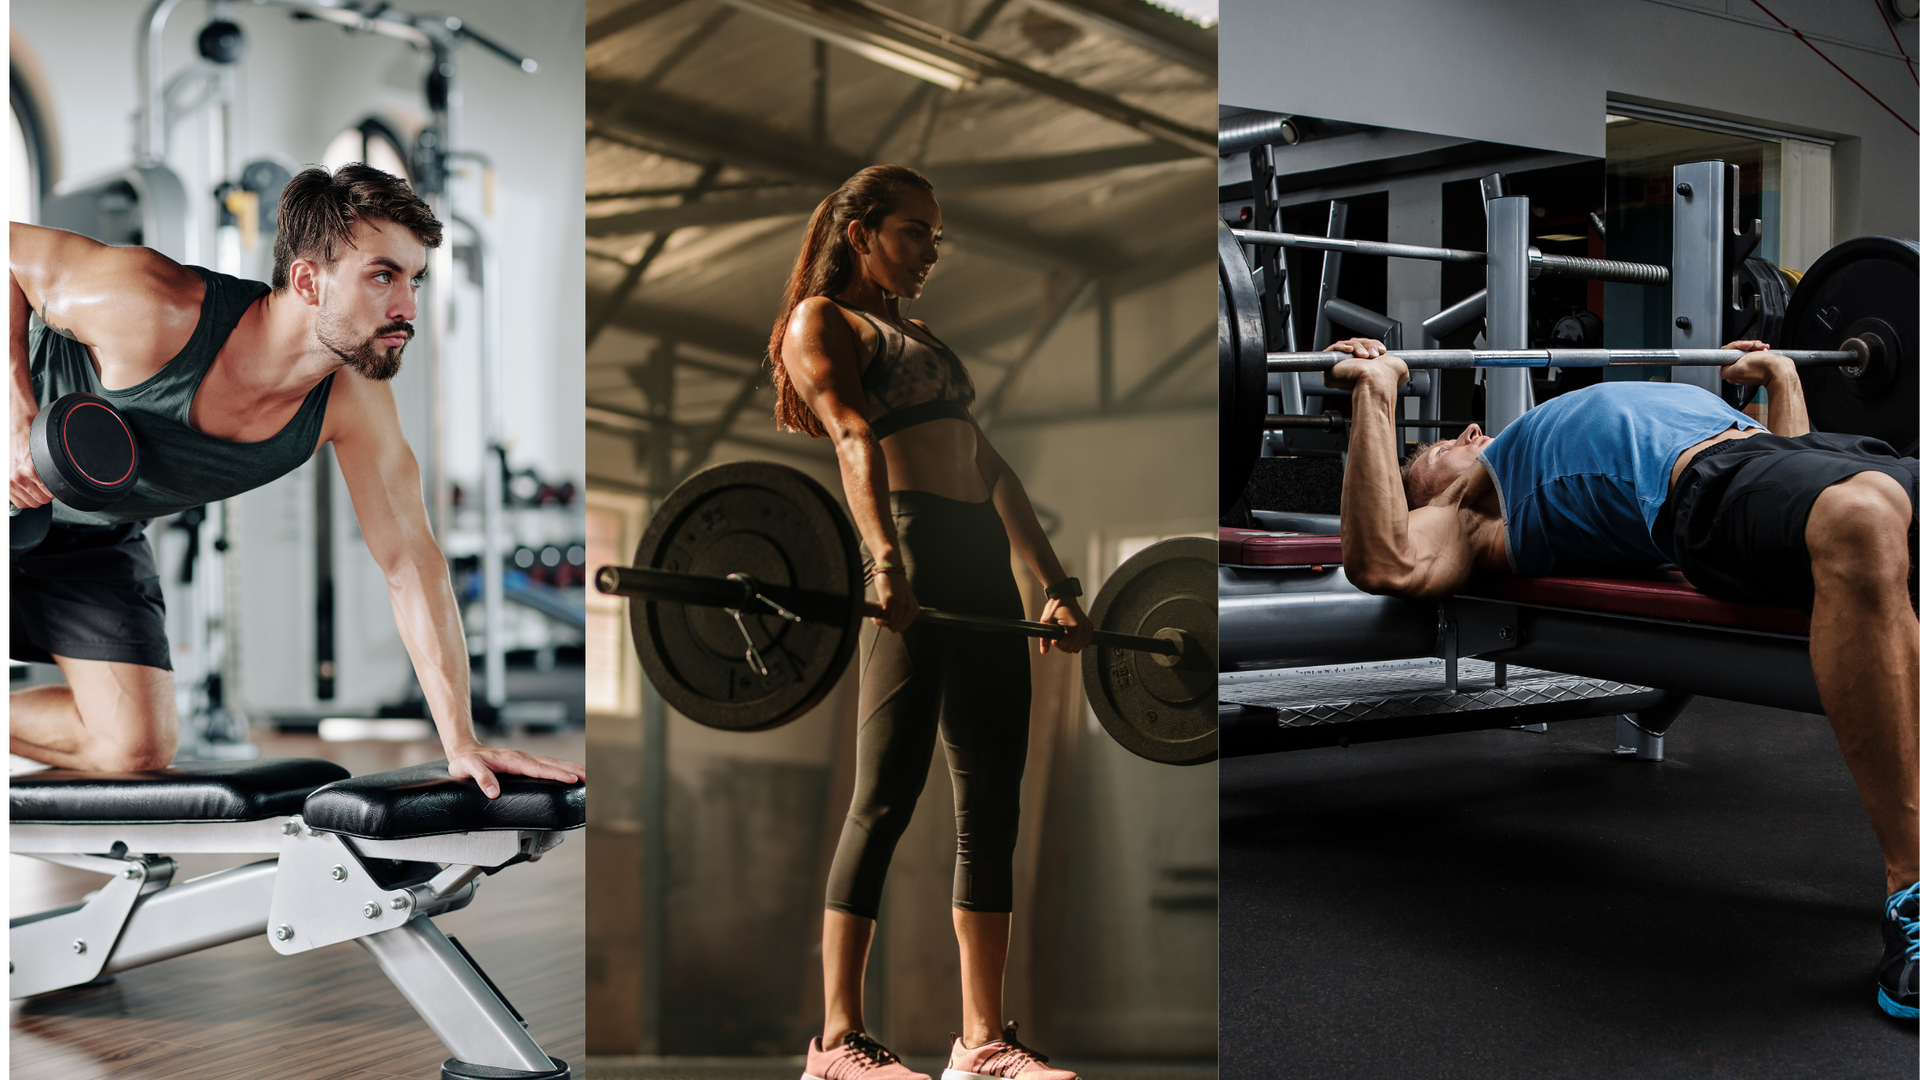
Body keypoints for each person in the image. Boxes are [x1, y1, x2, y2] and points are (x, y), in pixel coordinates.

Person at [1326, 335, 1917, 1021]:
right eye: (1438, 452)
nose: (1469, 431)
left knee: (1862, 505)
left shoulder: (1502, 449)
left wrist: (1781, 378)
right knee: (1862, 516)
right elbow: (1386, 562)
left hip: (1809, 456)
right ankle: (1912, 889)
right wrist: (1377, 393)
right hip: (1705, 482)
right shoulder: (1467, 507)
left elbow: (1793, 518)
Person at [9, 163, 583, 798]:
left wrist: (461, 740)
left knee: (135, 747)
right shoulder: (152, 305)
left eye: (415, 280)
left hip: (93, 537)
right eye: (383, 276)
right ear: (308, 280)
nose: (408, 308)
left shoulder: (353, 400)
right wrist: (15, 411)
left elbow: (409, 557)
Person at [768, 165, 1088, 1080]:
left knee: (992, 804)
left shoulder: (926, 340)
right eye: (914, 233)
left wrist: (1058, 584)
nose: (929, 253)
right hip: (907, 546)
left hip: (980, 560)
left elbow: (992, 468)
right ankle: (835, 1045)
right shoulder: (821, 322)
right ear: (861, 231)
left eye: (936, 238)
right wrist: (883, 560)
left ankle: (981, 1044)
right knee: (885, 797)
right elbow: (852, 438)